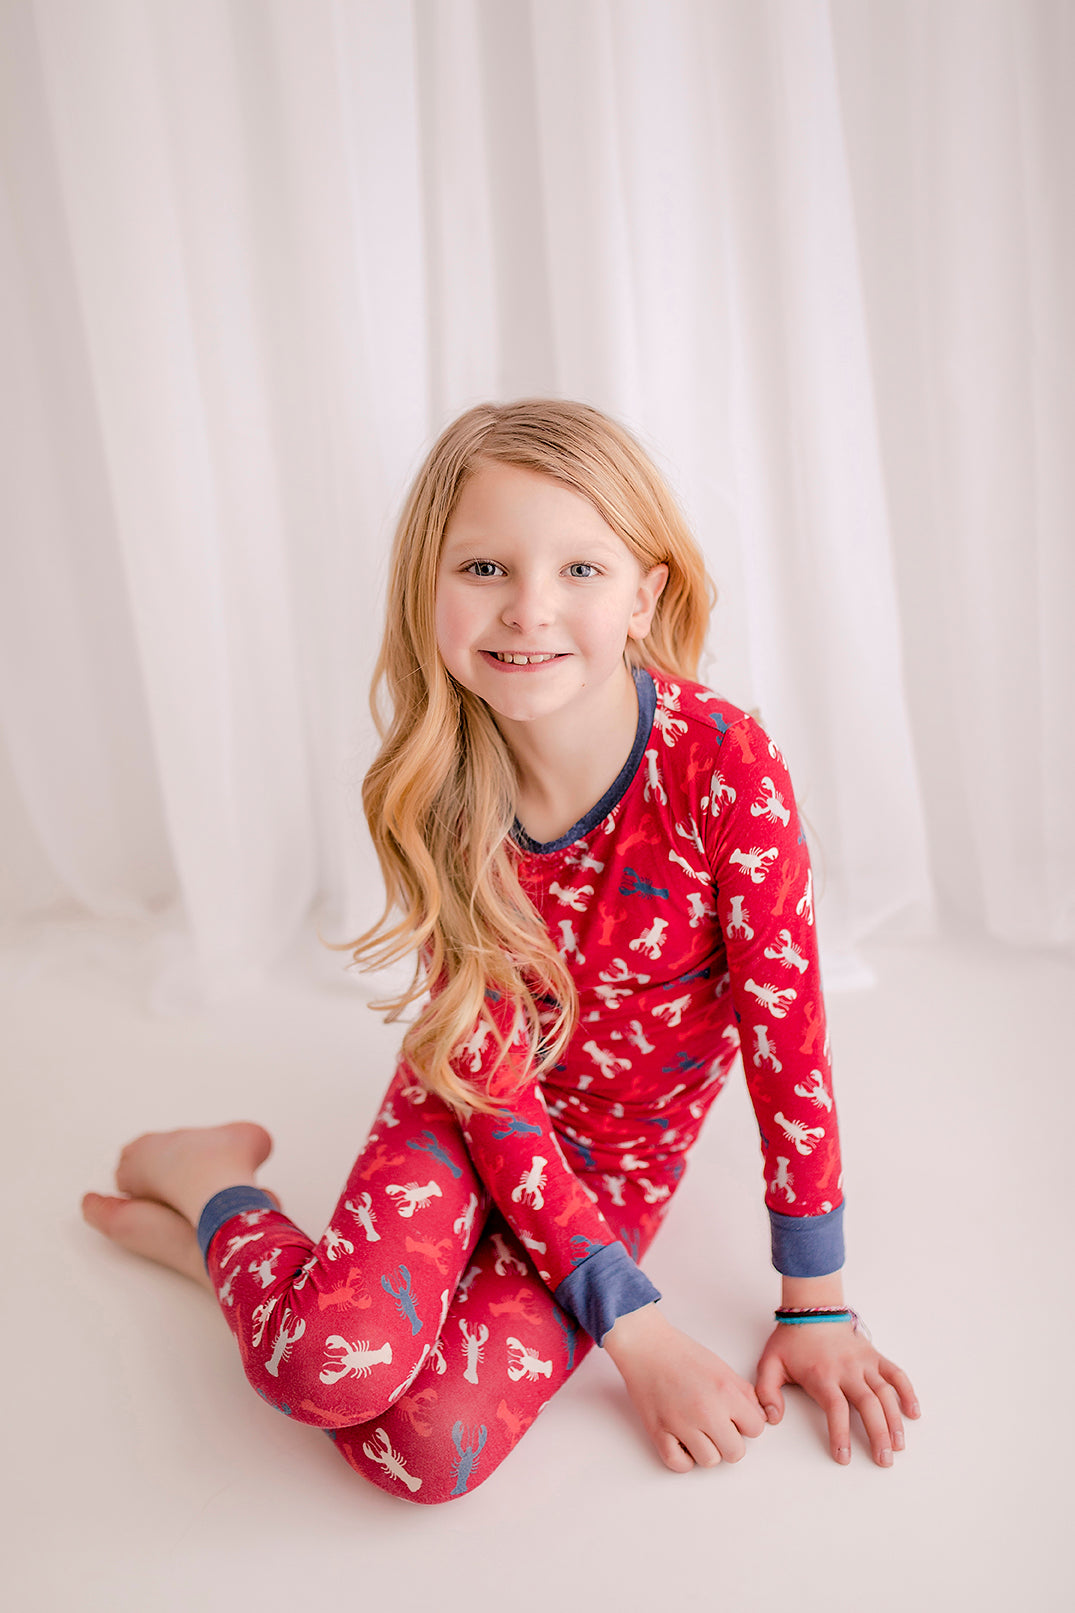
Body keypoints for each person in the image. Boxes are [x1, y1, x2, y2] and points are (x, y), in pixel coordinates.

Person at [82, 398, 919, 1504]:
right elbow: (487, 1078)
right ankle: (214, 1190)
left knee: (419, 1454)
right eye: (484, 565)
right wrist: (635, 1325)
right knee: (324, 1369)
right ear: (428, 587)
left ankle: (241, 1269)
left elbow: (788, 1048)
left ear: (643, 594)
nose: (529, 609)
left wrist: (814, 1302)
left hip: (613, 1157)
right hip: (472, 1102)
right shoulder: (439, 781)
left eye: (580, 568)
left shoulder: (725, 767)